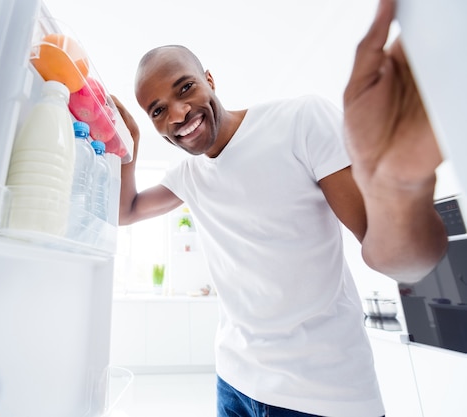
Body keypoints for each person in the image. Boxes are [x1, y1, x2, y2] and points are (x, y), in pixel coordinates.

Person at [113, 0, 447, 415]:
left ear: (209, 79)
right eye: (158, 111)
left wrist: (401, 185)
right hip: (234, 381)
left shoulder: (299, 121)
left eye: (185, 87)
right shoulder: (189, 176)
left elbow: (403, 264)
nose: (179, 114)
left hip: (321, 393)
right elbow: (125, 212)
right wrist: (127, 151)